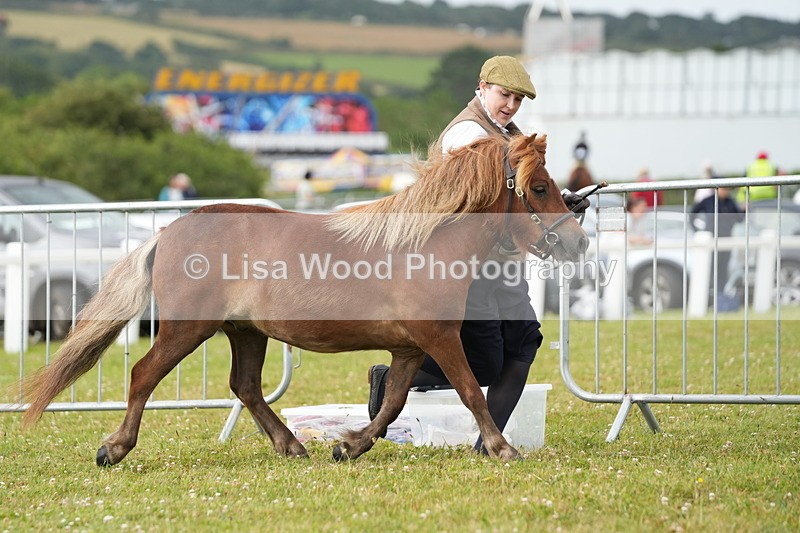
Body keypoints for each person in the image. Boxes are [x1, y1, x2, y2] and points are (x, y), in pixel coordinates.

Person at [367, 55, 586, 452]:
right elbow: (483, 204)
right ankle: (393, 379)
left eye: (519, 99)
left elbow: (520, 196)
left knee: (524, 344)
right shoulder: (466, 135)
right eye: (505, 95)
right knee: (486, 361)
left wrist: (557, 206)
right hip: (468, 268)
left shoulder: (511, 135)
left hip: (503, 265)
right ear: (482, 87)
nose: (511, 105)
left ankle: (489, 443)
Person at [691, 177, 745, 299]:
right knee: (710, 270)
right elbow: (692, 213)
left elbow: (739, 219)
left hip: (726, 241)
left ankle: (720, 296)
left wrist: (744, 210)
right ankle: (707, 297)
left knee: (723, 270)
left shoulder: (730, 202)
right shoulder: (708, 201)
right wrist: (698, 231)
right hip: (711, 241)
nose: (725, 191)